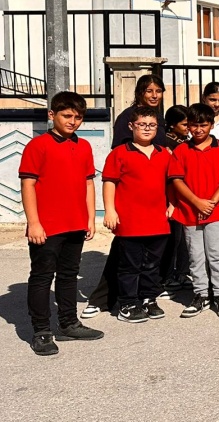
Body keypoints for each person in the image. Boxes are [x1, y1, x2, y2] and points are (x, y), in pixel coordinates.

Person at [19, 91, 104, 356]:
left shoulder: (84, 146)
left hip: (76, 223)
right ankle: (42, 331)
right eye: (67, 116)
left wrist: (90, 217)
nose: (73, 122)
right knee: (43, 276)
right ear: (51, 114)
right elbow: (28, 183)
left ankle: (68, 323)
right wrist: (34, 222)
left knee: (68, 275)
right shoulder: (38, 145)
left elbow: (89, 182)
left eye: (78, 117)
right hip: (47, 226)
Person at [101, 105, 174, 323]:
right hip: (130, 220)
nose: (147, 129)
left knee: (153, 263)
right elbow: (109, 183)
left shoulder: (164, 154)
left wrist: (172, 204)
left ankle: (148, 298)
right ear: (132, 126)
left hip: (158, 219)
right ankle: (127, 303)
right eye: (142, 124)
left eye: (152, 125)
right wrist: (110, 210)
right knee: (130, 265)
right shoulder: (119, 153)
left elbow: (171, 182)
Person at [168, 103, 219, 318]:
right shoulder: (181, 150)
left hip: (217, 210)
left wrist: (212, 202)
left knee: (217, 254)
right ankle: (200, 294)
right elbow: (176, 180)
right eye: (194, 125)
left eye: (203, 125)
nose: (198, 130)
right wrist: (196, 202)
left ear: (211, 125)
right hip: (189, 210)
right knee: (196, 255)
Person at [160, 105, 192, 292]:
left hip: (185, 196)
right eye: (185, 124)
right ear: (172, 125)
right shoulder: (166, 144)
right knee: (173, 238)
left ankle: (182, 272)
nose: (188, 127)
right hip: (171, 195)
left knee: (183, 239)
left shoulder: (184, 142)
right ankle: (167, 276)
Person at [112, 74, 166, 147]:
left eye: (158, 91)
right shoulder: (127, 116)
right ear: (139, 93)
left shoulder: (158, 116)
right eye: (149, 91)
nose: (155, 96)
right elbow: (120, 147)